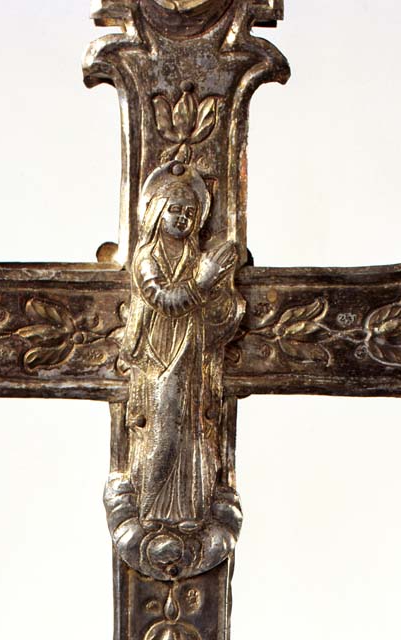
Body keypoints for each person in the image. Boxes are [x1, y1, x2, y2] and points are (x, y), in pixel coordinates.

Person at [121, 161, 244, 532]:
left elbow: (214, 307)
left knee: (194, 433)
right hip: (160, 358)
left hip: (192, 356)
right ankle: (151, 506)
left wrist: (225, 297)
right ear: (157, 212)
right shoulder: (147, 259)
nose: (183, 218)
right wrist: (204, 282)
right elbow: (164, 300)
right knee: (165, 431)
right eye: (175, 210)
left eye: (190, 213)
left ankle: (191, 507)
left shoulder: (193, 258)